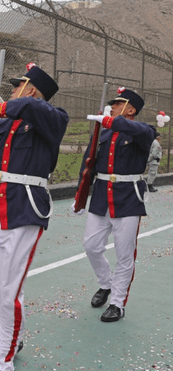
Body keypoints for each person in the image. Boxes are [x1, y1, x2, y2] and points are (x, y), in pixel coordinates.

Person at [0, 63, 68, 370]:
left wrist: (1, 106)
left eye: (19, 85)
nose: (14, 91)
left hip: (23, 208)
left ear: (33, 90)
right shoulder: (5, 122)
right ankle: (14, 334)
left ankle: (5, 355)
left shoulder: (52, 118)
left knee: (8, 289)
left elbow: (27, 106)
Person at [77, 87, 156, 323]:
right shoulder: (103, 133)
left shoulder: (142, 132)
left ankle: (117, 303)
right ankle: (106, 284)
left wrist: (111, 121)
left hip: (128, 198)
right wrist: (80, 194)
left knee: (124, 253)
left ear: (131, 109)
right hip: (101, 196)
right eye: (112, 104)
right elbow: (88, 163)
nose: (112, 106)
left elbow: (140, 129)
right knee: (91, 245)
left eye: (119, 104)